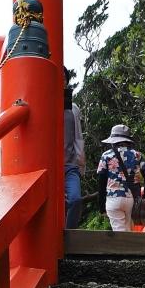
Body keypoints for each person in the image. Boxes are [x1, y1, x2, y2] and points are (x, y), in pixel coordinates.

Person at [96, 124, 145, 232]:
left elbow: (101, 181)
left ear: (113, 140)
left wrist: (101, 206)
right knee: (129, 231)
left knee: (119, 233)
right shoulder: (137, 155)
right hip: (132, 198)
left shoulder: (106, 155)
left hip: (113, 198)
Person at [63, 71, 85, 228]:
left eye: (63, 78)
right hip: (48, 166)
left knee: (76, 199)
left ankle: (68, 235)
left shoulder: (74, 108)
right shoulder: (41, 103)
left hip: (70, 164)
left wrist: (81, 163)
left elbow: (78, 136)